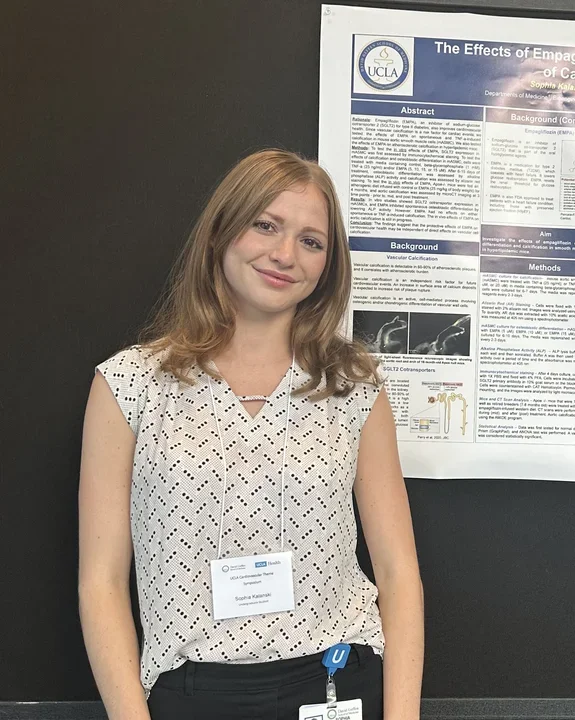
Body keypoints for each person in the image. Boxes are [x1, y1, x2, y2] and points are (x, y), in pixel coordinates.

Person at [78, 149, 424, 719]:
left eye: (311, 241)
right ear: (221, 232)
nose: (285, 254)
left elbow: (397, 573)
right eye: (266, 225)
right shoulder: (130, 385)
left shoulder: (353, 387)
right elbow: (102, 583)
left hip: (336, 680)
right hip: (190, 691)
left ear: (326, 266)